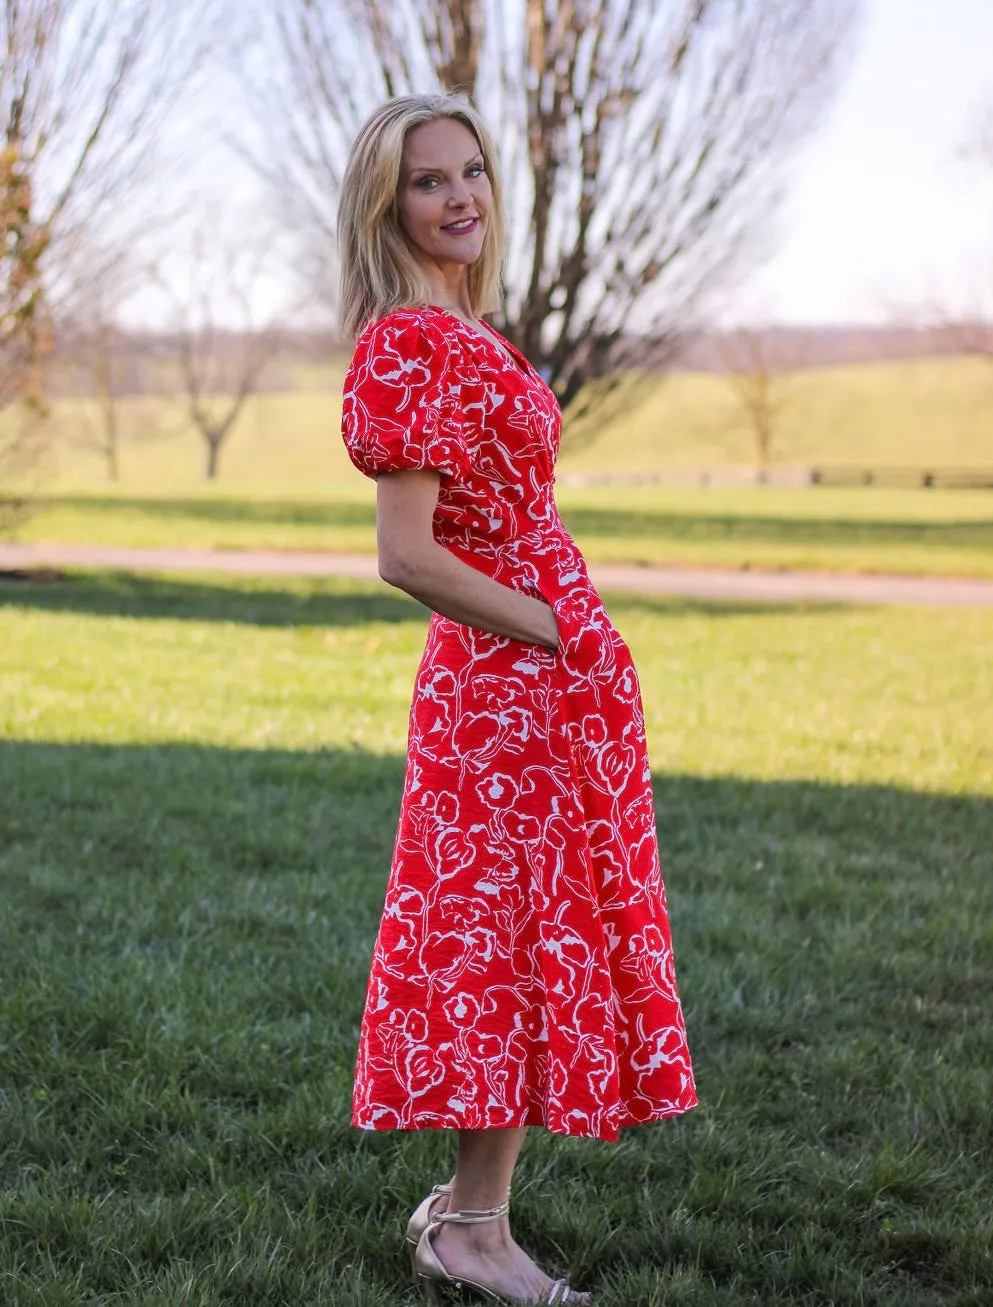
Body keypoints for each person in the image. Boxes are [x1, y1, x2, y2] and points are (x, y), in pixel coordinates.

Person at [338, 92, 697, 1305]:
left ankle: (466, 1211)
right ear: (390, 205)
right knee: (506, 952)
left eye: (472, 171)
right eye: (430, 180)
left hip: (550, 686)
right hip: (506, 692)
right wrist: (558, 629)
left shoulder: (468, 329)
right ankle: (475, 1233)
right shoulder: (407, 343)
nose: (462, 196)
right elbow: (407, 551)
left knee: (537, 942)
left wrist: (579, 648)